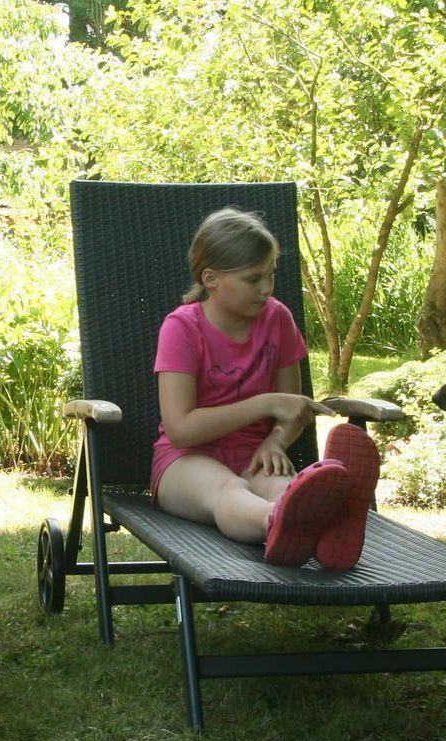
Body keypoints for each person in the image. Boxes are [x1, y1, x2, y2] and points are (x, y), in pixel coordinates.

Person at [151, 208, 379, 569]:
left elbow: (294, 409)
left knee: (284, 488)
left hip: (255, 453)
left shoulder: (278, 319)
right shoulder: (181, 328)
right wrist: (266, 403)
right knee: (228, 491)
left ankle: (328, 523)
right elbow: (180, 429)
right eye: (253, 278)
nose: (266, 288)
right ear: (211, 279)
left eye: (271, 274)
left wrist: (275, 441)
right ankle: (283, 521)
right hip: (185, 461)